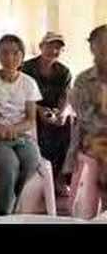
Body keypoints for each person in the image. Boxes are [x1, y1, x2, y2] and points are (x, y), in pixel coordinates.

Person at [0, 35, 42, 215]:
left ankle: (9, 202)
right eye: (4, 52)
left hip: (21, 136)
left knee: (31, 160)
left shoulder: (29, 83)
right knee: (9, 163)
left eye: (15, 53)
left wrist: (14, 130)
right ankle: (1, 212)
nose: (10, 57)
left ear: (22, 56)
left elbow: (30, 119)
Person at [22, 32, 72, 196]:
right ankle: (37, 173)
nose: (54, 50)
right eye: (50, 46)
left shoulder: (63, 72)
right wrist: (38, 109)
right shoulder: (27, 68)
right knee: (38, 124)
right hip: (30, 108)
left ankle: (58, 177)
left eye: (58, 48)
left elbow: (65, 96)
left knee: (68, 124)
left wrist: (62, 113)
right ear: (41, 47)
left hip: (52, 111)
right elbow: (20, 95)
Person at [64, 25, 107, 200]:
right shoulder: (83, 81)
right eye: (101, 44)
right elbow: (86, 119)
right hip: (92, 138)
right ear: (92, 48)